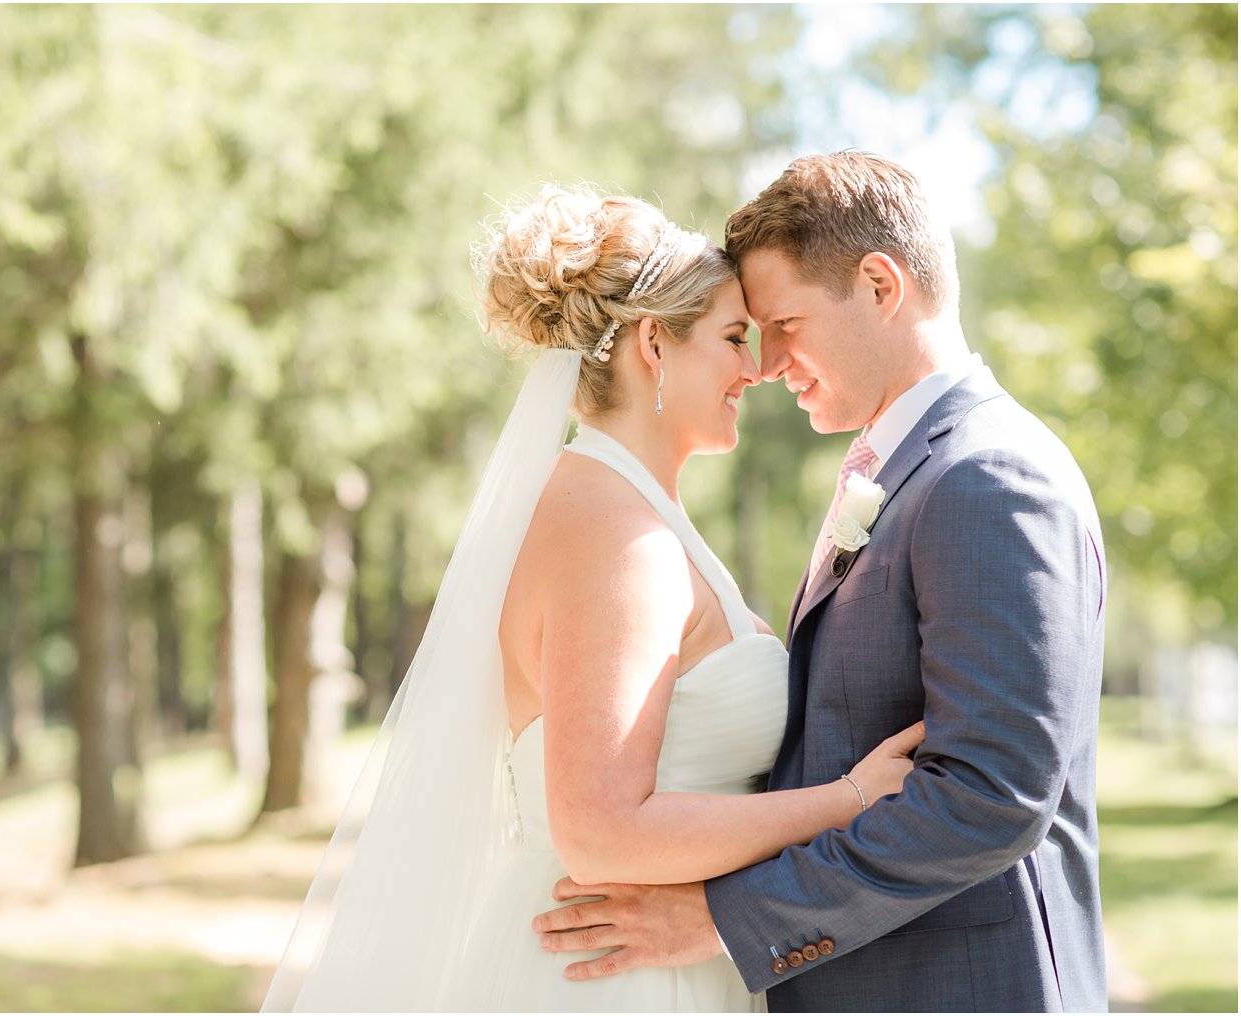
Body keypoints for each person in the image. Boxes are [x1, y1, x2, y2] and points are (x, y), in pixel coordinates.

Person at [261, 184, 923, 1012]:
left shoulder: (628, 509)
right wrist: (848, 801)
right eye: (730, 338)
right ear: (654, 344)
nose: (754, 371)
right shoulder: (617, 534)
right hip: (621, 979)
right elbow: (602, 830)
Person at [533, 152, 1108, 1012]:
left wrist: (727, 922)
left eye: (785, 323)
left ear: (880, 285)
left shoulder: (988, 477)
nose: (765, 365)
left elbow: (993, 795)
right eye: (749, 333)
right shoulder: (903, 471)